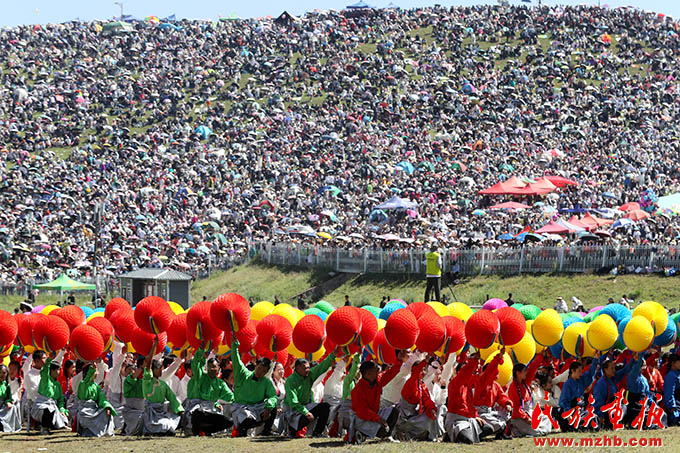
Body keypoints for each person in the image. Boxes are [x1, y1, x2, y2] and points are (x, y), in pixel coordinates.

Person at [230, 335, 277, 437]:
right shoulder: (242, 373)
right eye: (259, 368)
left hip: (257, 407)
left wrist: (269, 407)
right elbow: (236, 359)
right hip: (241, 407)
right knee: (246, 420)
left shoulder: (266, 382)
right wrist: (234, 346)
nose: (260, 372)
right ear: (256, 365)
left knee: (274, 409)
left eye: (264, 371)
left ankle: (266, 431)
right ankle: (242, 431)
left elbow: (273, 396)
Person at [283, 349, 337, 438]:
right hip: (292, 410)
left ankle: (317, 433)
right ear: (297, 368)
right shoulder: (290, 381)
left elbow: (322, 366)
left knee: (325, 406)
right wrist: (306, 412)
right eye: (305, 368)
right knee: (304, 416)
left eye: (308, 367)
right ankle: (291, 429)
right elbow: (293, 402)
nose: (308, 370)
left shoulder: (309, 374)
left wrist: (333, 354)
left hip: (305, 406)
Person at [186, 341, 234, 436]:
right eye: (210, 367)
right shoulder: (200, 377)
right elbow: (195, 364)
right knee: (197, 412)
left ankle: (208, 430)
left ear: (219, 369)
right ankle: (196, 431)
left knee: (229, 421)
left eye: (214, 367)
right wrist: (200, 350)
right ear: (206, 368)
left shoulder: (220, 383)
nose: (212, 369)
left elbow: (231, 397)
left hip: (212, 410)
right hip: (199, 408)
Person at [350, 359, 403, 444]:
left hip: (374, 414)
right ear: (368, 374)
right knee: (382, 429)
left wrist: (399, 361)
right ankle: (362, 433)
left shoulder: (377, 381)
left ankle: (387, 437)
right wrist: (379, 419)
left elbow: (390, 374)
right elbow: (362, 411)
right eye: (376, 369)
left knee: (394, 411)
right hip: (361, 418)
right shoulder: (357, 390)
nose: (378, 370)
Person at [141, 338, 184, 435]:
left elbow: (172, 398)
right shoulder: (147, 380)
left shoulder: (163, 384)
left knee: (170, 426)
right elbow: (148, 364)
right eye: (158, 369)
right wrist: (154, 346)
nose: (160, 371)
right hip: (150, 413)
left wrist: (180, 410)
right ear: (152, 370)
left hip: (161, 412)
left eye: (161, 369)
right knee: (165, 428)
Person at [394, 359, 438, 441]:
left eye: (424, 370)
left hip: (414, 415)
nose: (423, 372)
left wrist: (431, 409)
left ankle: (406, 435)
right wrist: (426, 358)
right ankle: (401, 434)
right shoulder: (411, 382)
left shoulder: (422, 385)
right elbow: (416, 373)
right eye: (421, 370)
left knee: (430, 417)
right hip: (403, 416)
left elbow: (427, 400)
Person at [473, 351, 512, 439]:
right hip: (480, 412)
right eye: (495, 370)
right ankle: (478, 434)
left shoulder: (496, 385)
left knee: (505, 412)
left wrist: (507, 403)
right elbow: (489, 371)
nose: (498, 372)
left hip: (489, 412)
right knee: (496, 423)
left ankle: (500, 434)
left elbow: (502, 397)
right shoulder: (481, 382)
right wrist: (498, 358)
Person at [558, 354, 602, 432]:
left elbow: (591, 373)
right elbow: (564, 401)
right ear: (572, 371)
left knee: (593, 417)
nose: (581, 373)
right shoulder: (567, 384)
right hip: (571, 412)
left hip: (581, 410)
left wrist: (595, 359)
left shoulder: (581, 380)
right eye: (579, 371)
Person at [508, 360, 551, 437]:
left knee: (546, 418)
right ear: (518, 373)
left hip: (529, 413)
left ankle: (520, 431)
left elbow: (532, 369)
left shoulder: (525, 382)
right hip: (519, 417)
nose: (526, 373)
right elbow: (516, 408)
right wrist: (527, 418)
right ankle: (517, 429)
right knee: (536, 432)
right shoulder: (513, 387)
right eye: (524, 371)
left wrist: (540, 357)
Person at [30, 351, 69, 434]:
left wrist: (62, 409)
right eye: (56, 370)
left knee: (60, 416)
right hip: (41, 404)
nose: (58, 372)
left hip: (53, 405)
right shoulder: (45, 379)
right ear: (51, 371)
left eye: (59, 369)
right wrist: (49, 360)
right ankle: (44, 427)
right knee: (48, 411)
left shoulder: (58, 384)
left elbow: (60, 400)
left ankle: (51, 426)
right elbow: (45, 370)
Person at [75, 363, 116, 437]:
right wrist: (92, 369)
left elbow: (102, 399)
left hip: (94, 409)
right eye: (95, 371)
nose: (97, 373)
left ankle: (105, 432)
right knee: (86, 419)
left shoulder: (97, 387)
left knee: (105, 412)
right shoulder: (82, 384)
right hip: (84, 410)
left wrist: (107, 407)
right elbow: (86, 382)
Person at [593, 357, 633, 429]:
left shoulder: (613, 378)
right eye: (612, 368)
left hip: (613, 408)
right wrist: (600, 416)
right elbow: (598, 401)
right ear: (605, 369)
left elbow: (624, 371)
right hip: (605, 410)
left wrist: (633, 359)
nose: (614, 370)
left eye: (614, 368)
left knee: (624, 406)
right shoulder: (601, 384)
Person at [21, 349, 45, 432]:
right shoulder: (29, 374)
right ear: (37, 360)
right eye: (44, 358)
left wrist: (62, 352)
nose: (46, 360)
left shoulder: (45, 372)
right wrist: (32, 353)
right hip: (34, 401)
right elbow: (32, 394)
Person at [122, 358, 145, 435]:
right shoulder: (128, 380)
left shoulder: (142, 380)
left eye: (132, 370)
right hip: (131, 407)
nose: (130, 371)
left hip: (141, 406)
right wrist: (142, 367)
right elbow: (133, 377)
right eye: (128, 370)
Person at [0, 364, 21, 432]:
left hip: (3, 405)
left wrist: (8, 402)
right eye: (0, 372)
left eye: (4, 373)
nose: (2, 375)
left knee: (13, 407)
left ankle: (4, 424)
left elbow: (9, 397)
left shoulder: (6, 385)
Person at [663, 354, 680, 426]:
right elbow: (669, 392)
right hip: (676, 403)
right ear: (673, 363)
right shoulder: (671, 375)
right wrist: (672, 406)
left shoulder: (678, 373)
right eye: (679, 362)